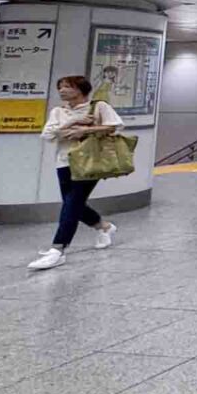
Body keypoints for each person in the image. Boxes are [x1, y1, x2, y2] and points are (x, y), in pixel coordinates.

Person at [29, 75, 124, 271]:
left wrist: (86, 131)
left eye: (67, 87)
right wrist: (73, 122)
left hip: (91, 161)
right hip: (64, 161)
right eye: (60, 87)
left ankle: (58, 249)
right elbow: (47, 135)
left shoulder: (99, 107)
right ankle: (104, 227)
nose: (62, 91)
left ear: (81, 89)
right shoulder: (58, 111)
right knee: (73, 203)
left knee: (72, 203)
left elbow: (115, 126)